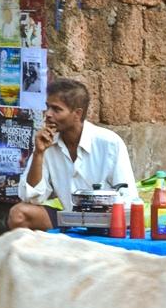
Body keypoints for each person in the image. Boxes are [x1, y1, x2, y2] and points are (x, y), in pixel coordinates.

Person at [9, 78, 138, 230]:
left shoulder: (109, 143)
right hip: (69, 220)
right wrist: (38, 153)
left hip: (104, 220)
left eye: (56, 109)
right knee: (18, 214)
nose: (48, 114)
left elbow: (129, 198)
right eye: (47, 107)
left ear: (77, 114)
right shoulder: (48, 143)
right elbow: (32, 197)